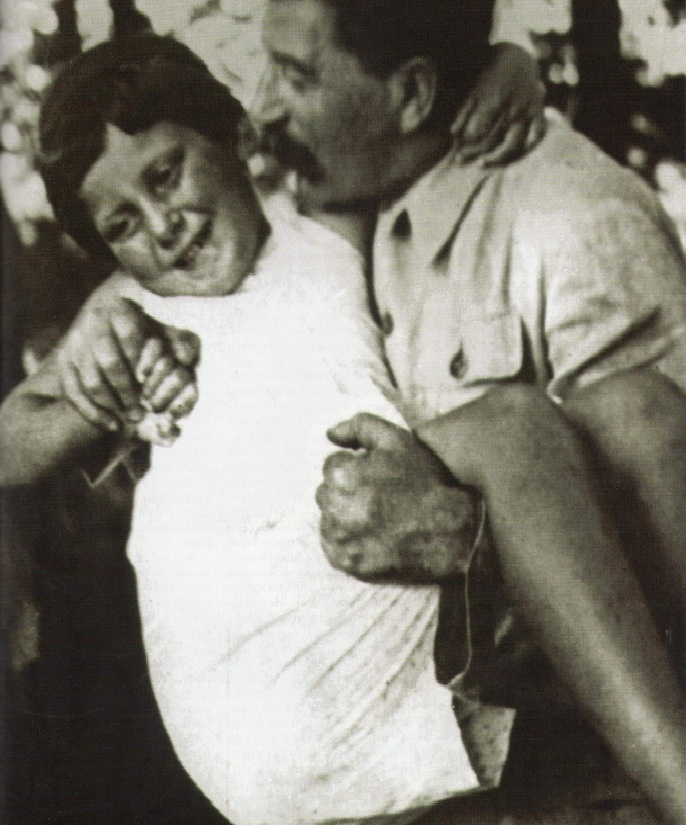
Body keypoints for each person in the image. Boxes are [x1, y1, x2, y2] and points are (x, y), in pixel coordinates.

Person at [15, 6, 686, 825]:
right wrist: (93, 378)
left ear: (234, 138)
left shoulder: (326, 227)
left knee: (632, 412)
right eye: (121, 224)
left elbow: (398, 123)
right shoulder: (141, 316)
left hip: (355, 607)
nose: (162, 226)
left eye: (165, 176)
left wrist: (502, 67)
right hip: (272, 659)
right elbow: (13, 445)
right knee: (511, 429)